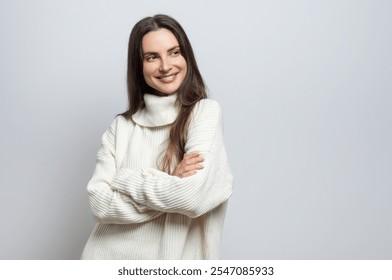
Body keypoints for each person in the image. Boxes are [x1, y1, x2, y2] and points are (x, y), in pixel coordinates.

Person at [81, 14, 233, 260]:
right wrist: (170, 181)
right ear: (138, 66)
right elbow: (98, 204)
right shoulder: (121, 126)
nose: (165, 65)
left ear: (187, 57)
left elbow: (191, 198)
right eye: (152, 57)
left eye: (174, 52)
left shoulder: (204, 112)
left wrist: (124, 178)